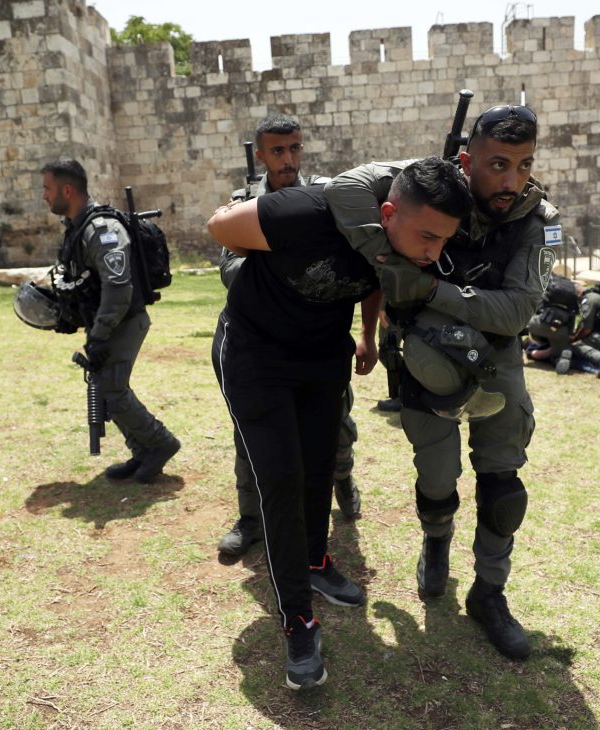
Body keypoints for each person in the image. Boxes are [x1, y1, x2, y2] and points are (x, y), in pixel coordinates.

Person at [207, 157, 471, 690]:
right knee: (280, 480)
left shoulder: (390, 241)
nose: (432, 253)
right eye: (427, 237)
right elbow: (219, 226)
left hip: (322, 357)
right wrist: (260, 253)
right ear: (389, 213)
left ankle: (313, 558)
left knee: (319, 464)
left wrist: (368, 334)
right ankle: (298, 621)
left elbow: (377, 274)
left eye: (444, 242)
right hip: (256, 355)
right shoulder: (305, 211)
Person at [324, 104, 561, 660]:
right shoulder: (431, 181)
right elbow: (343, 190)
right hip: (422, 359)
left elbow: (517, 312)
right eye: (498, 164)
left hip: (496, 363)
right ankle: (436, 545)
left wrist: (430, 291)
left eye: (524, 165)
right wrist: (387, 257)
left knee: (502, 486)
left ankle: (489, 593)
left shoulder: (536, 219)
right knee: (436, 475)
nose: (511, 181)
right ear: (466, 158)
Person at [217, 115, 362, 558]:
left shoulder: (325, 197)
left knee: (335, 429)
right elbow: (230, 269)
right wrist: (288, 264)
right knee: (250, 436)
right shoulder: (243, 204)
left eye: (294, 148)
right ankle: (250, 519)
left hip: (318, 341)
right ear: (260, 155)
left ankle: (343, 482)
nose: (288, 159)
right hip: (262, 346)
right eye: (277, 151)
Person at [40, 159, 180, 482]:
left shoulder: (102, 230)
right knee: (106, 389)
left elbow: (118, 287)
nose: (44, 196)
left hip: (123, 320)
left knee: (113, 389)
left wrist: (100, 334)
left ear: (67, 190)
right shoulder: (77, 227)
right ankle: (142, 451)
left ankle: (161, 443)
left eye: (47, 189)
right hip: (106, 322)